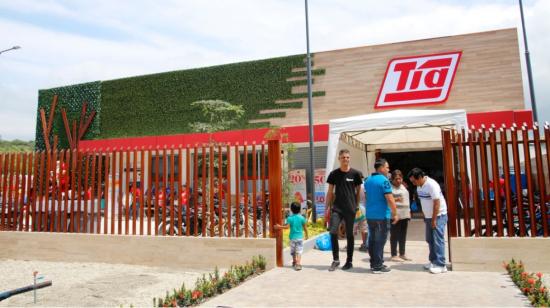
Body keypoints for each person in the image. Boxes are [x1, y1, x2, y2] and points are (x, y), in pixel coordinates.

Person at [326, 149, 363, 271]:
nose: (345, 159)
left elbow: (359, 192)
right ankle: (336, 260)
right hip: (337, 208)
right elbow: (330, 192)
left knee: (350, 235)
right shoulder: (333, 174)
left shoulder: (355, 174)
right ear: (339, 159)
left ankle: (349, 261)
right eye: (343, 158)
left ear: (349, 158)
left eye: (347, 157)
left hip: (350, 208)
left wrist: (356, 205)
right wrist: (326, 208)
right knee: (332, 231)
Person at [408, 167, 448, 274]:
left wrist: (434, 219)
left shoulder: (431, 185)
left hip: (438, 216)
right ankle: (433, 261)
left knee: (438, 240)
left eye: (414, 181)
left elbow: (436, 203)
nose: (413, 183)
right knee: (430, 240)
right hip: (429, 217)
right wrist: (426, 217)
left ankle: (441, 264)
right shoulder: (419, 187)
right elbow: (424, 203)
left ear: (420, 177)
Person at [364, 158, 398, 274]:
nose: (388, 170)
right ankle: (377, 266)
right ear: (381, 168)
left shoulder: (368, 180)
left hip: (370, 215)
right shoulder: (384, 180)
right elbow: (389, 198)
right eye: (387, 167)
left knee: (373, 240)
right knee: (380, 241)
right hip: (381, 216)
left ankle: (374, 263)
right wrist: (395, 213)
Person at [274, 202, 308, 271]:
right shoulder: (302, 218)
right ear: (300, 209)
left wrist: (279, 227)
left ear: (291, 210)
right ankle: (298, 264)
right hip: (300, 238)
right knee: (299, 251)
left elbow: (287, 227)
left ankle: (294, 261)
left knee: (293, 251)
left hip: (292, 238)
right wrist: (307, 235)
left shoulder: (290, 218)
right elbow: (305, 228)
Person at [389, 170, 411, 262]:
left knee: (403, 235)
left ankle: (402, 253)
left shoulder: (403, 187)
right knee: (394, 235)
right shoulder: (390, 188)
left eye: (400, 178)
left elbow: (407, 200)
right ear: (392, 179)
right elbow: (387, 200)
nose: (399, 181)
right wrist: (396, 199)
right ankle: (394, 254)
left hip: (405, 214)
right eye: (396, 179)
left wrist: (409, 212)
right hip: (395, 214)